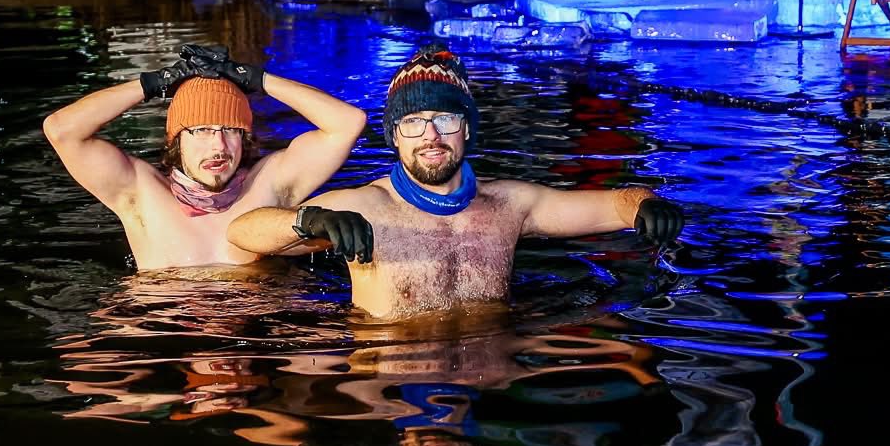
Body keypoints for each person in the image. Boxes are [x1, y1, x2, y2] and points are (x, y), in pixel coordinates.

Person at [227, 42, 683, 319]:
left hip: (486, 373)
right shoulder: (365, 207)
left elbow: (615, 204)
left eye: (445, 119)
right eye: (413, 122)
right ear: (394, 136)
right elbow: (242, 232)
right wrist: (309, 221)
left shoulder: (509, 204)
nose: (430, 136)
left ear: (466, 129)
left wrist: (646, 204)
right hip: (391, 380)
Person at [41, 43, 367, 271]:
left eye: (231, 130)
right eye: (200, 130)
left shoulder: (270, 183)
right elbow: (61, 130)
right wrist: (154, 83)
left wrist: (259, 79)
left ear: (245, 139)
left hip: (254, 332)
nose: (218, 146)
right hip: (165, 331)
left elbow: (348, 123)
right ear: (176, 140)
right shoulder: (140, 192)